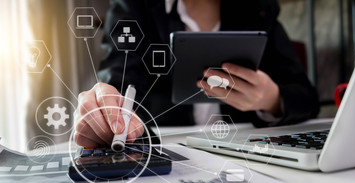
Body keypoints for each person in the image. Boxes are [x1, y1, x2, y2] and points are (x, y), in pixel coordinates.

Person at [74, 0, 319, 148]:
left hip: (245, 148)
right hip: (171, 150)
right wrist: (107, 107)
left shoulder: (258, 8)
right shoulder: (133, 6)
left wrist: (271, 99)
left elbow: (306, 97)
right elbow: (120, 79)